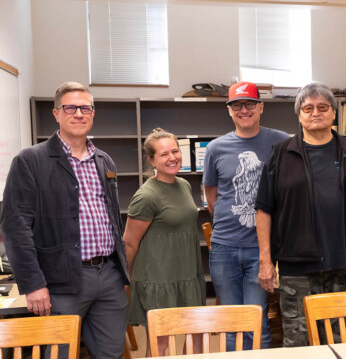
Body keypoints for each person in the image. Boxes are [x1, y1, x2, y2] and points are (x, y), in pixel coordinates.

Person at [0, 81, 129, 358]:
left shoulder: (104, 161)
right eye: (70, 107)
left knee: (112, 354)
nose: (78, 114)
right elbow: (15, 227)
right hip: (61, 280)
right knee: (59, 354)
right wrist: (33, 284)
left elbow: (112, 220)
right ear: (56, 113)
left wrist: (121, 272)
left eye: (85, 108)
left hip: (108, 276)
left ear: (93, 113)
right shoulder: (30, 161)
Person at [256, 82, 346, 347]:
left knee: (344, 342)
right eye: (308, 108)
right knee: (299, 343)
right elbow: (263, 209)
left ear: (334, 113)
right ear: (299, 115)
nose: (315, 113)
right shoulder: (280, 155)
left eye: (322, 107)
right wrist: (265, 261)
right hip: (297, 268)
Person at [202, 82, 289, 350]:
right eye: (236, 105)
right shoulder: (216, 148)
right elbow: (212, 195)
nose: (244, 110)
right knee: (231, 323)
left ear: (261, 107)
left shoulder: (282, 142)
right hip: (224, 248)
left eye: (250, 103)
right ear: (229, 110)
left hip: (260, 250)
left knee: (257, 322)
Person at [124, 128, 206, 355]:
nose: (172, 158)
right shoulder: (146, 196)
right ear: (151, 160)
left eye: (175, 151)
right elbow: (129, 243)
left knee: (196, 334)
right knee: (161, 342)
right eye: (163, 154)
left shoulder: (184, 185)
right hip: (160, 279)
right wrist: (125, 281)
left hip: (188, 274)